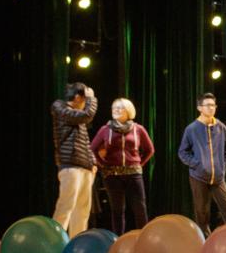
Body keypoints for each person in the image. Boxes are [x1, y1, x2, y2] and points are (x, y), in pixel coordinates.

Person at [89, 98, 153, 235]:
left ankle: (144, 237)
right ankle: (118, 239)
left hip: (133, 174)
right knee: (117, 210)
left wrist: (139, 163)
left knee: (140, 208)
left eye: (120, 107)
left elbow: (150, 150)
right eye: (114, 108)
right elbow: (92, 148)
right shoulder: (105, 129)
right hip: (112, 175)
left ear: (128, 111)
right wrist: (102, 164)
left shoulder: (138, 129)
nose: (116, 110)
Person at [178, 92, 226, 236]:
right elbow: (182, 152)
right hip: (198, 177)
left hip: (218, 177)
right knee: (202, 212)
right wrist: (196, 164)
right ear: (199, 108)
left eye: (213, 105)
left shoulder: (221, 127)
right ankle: (205, 240)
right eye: (208, 105)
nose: (211, 108)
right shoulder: (191, 129)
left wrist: (224, 166)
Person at [51, 82, 98, 237]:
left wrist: (93, 162)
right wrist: (92, 99)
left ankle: (77, 243)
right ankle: (55, 241)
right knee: (66, 206)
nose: (86, 103)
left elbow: (85, 141)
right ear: (78, 97)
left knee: (82, 210)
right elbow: (87, 115)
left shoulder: (78, 118)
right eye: (85, 99)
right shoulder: (59, 107)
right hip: (70, 165)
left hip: (85, 167)